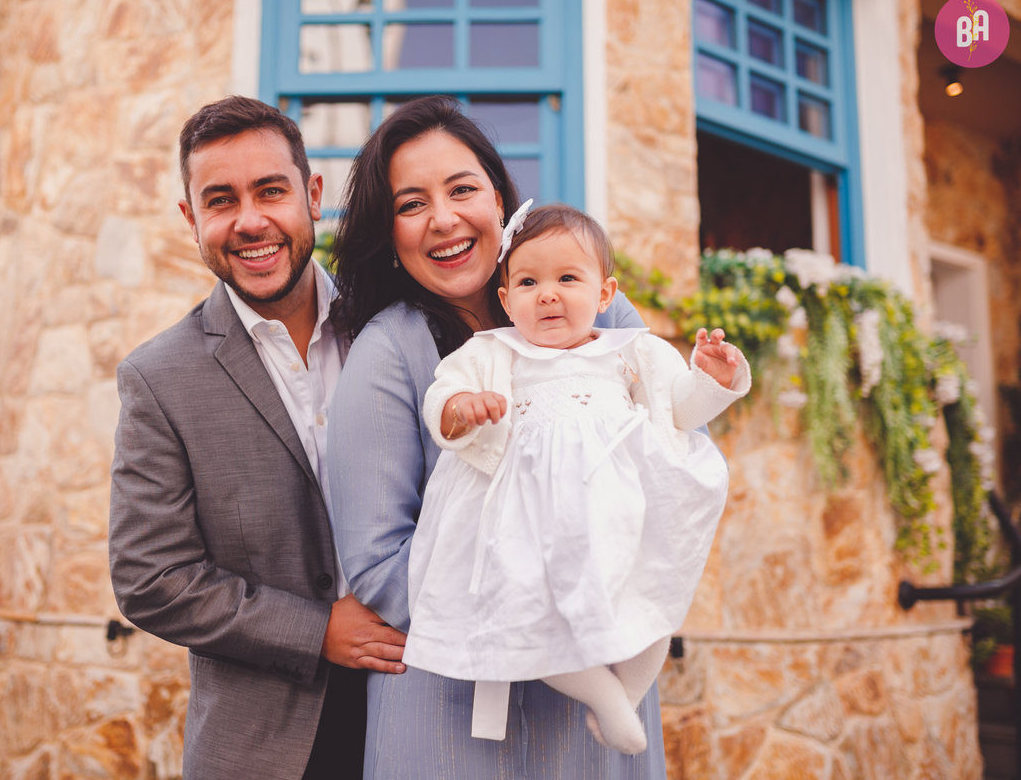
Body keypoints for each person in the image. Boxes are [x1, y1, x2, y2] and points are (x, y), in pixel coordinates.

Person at [326, 95, 664, 778]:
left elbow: (671, 442)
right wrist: (532, 611)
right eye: (411, 204)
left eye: (462, 189)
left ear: (500, 196)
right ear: (389, 231)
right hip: (454, 708)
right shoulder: (393, 352)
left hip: (598, 700)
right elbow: (376, 560)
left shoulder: (598, 309)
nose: (444, 219)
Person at [108, 96, 406, 780]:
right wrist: (317, 630)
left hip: (416, 716)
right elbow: (150, 577)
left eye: (271, 190)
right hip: (263, 751)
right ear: (192, 220)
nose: (250, 221)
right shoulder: (158, 379)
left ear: (313, 195)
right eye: (221, 200)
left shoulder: (398, 331)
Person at [406, 203, 750, 755]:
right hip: (528, 521)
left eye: (568, 278)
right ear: (505, 299)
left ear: (605, 293)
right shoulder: (494, 352)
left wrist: (713, 380)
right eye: (528, 281)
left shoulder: (631, 352)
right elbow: (441, 398)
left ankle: (629, 690)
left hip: (615, 513)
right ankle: (605, 698)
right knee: (534, 621)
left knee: (655, 601)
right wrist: (463, 407)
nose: (547, 293)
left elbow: (680, 412)